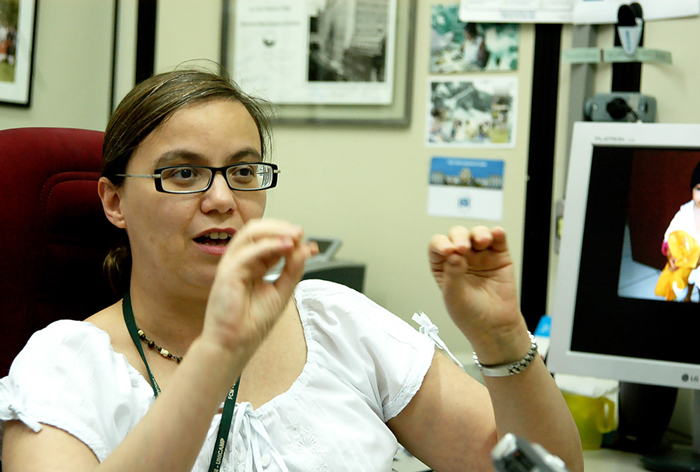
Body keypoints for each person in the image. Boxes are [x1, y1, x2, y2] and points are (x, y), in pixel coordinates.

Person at [0, 68, 583, 472]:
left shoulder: (335, 319)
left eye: (244, 172)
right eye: (182, 174)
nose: (223, 198)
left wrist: (502, 338)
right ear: (114, 202)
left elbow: (546, 469)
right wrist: (217, 358)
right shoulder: (64, 367)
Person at [656, 162, 700, 302]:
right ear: (692, 190)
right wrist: (670, 252)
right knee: (685, 287)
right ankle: (687, 298)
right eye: (699, 189)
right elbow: (671, 232)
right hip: (685, 263)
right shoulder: (684, 213)